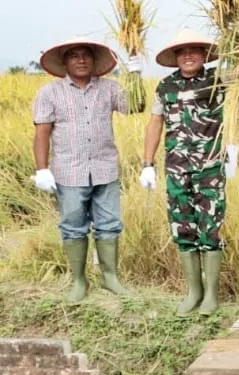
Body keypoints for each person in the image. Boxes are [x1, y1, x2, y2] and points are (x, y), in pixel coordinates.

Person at [32, 38, 145, 304]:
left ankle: (110, 277)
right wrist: (42, 169)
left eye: (86, 55)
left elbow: (136, 107)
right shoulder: (50, 93)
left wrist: (136, 75)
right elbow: (42, 133)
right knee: (73, 226)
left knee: (109, 224)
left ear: (94, 61)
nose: (81, 60)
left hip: (105, 168)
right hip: (69, 171)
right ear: (65, 62)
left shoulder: (109, 89)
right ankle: (79, 281)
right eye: (74, 56)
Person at [140, 29, 228, 315]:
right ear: (175, 57)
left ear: (204, 55)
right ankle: (193, 293)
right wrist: (147, 163)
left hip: (210, 167)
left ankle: (212, 296)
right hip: (177, 169)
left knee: (210, 228)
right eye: (182, 51)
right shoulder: (166, 86)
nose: (188, 56)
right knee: (183, 226)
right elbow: (155, 123)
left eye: (194, 50)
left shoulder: (218, 80)